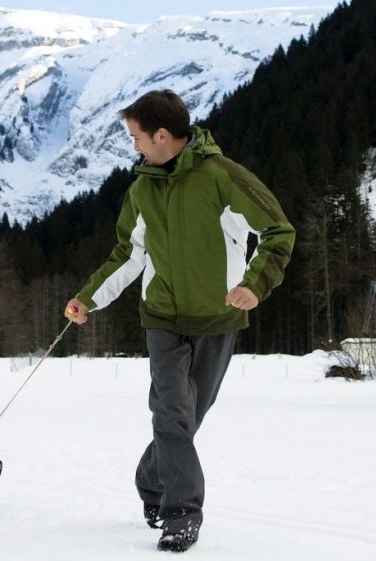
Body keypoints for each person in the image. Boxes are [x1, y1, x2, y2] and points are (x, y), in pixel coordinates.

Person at [64, 89, 295, 552]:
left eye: (137, 137)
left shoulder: (222, 178)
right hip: (162, 321)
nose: (134, 147)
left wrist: (254, 284)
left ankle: (151, 479)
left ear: (163, 135)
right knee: (170, 413)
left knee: (188, 420)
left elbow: (278, 232)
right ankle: (181, 513)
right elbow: (128, 255)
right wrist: (88, 298)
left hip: (218, 320)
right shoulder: (142, 188)